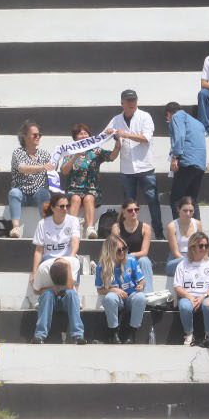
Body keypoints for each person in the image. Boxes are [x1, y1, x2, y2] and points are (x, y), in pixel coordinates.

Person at [106, 89, 164, 240]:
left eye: (134, 100)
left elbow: (146, 138)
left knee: (153, 201)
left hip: (145, 166)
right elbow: (106, 132)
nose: (132, 103)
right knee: (128, 204)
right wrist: (109, 133)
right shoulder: (116, 119)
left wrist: (123, 134)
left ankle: (158, 232)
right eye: (128, 101)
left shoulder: (145, 116)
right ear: (122, 103)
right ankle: (126, 234)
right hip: (127, 168)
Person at [29, 194, 83, 343]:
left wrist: (69, 259)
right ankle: (39, 336)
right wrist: (34, 272)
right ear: (53, 208)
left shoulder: (73, 221)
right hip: (49, 261)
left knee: (75, 263)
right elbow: (39, 250)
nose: (65, 209)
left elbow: (75, 243)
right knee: (46, 293)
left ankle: (78, 335)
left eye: (67, 206)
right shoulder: (43, 223)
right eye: (61, 206)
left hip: (66, 260)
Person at [97, 233, 149, 344]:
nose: (122, 252)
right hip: (117, 299)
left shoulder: (131, 260)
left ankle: (132, 332)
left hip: (131, 296)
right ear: (110, 251)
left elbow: (142, 280)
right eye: (118, 250)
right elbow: (100, 289)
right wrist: (114, 290)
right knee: (109, 298)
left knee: (141, 297)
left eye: (124, 249)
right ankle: (114, 332)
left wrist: (141, 285)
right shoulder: (102, 266)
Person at [6, 122, 54, 239]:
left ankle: (47, 228)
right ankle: (16, 228)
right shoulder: (18, 152)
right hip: (22, 194)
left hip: (38, 195)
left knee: (44, 193)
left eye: (39, 135)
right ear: (25, 136)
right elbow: (22, 168)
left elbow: (52, 169)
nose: (38, 137)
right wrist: (42, 167)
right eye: (35, 135)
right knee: (14, 193)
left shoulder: (44, 154)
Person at [173, 232, 209, 347]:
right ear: (192, 246)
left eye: (206, 245)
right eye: (201, 246)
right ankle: (189, 334)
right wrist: (190, 297)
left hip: (206, 296)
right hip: (187, 296)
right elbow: (177, 286)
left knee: (208, 304)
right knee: (184, 306)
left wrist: (203, 296)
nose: (204, 248)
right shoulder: (182, 264)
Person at [61, 121, 108, 237]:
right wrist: (76, 156)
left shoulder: (96, 151)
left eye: (86, 133)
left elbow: (111, 156)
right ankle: (71, 229)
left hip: (91, 190)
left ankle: (90, 228)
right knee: (76, 199)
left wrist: (118, 145)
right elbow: (64, 171)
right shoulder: (69, 151)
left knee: (88, 198)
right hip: (73, 190)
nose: (83, 136)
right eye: (80, 134)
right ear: (75, 137)